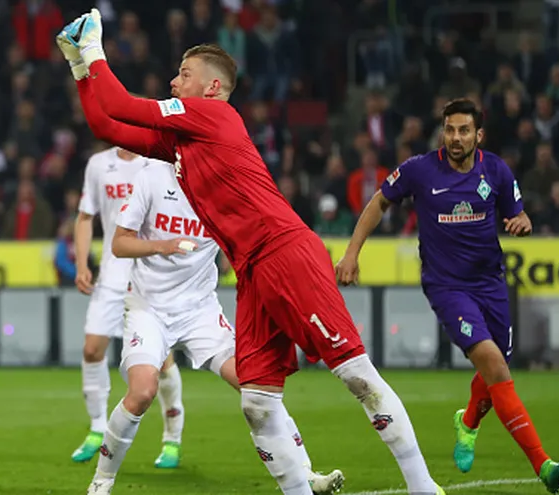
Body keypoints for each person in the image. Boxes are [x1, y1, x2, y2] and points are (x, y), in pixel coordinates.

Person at [57, 10, 443, 495]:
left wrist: (94, 47)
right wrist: (78, 66)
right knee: (257, 401)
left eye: (185, 74)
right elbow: (105, 123)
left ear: (213, 88)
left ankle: (422, 487)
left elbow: (119, 100)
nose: (175, 81)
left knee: (355, 374)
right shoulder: (181, 141)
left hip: (285, 250)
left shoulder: (213, 115)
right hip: (252, 270)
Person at [336, 98, 559, 494]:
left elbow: (518, 212)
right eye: (450, 129)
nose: (455, 137)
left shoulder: (495, 169)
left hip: (491, 282)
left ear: (479, 134)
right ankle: (543, 466)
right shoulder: (420, 170)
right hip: (447, 287)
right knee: (495, 364)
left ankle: (469, 422)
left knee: (497, 368)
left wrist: (522, 220)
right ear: (442, 131)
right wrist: (353, 252)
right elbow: (379, 202)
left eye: (463, 130)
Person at [87, 159, 345, 495]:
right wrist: (161, 245)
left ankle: (305, 473)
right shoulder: (152, 175)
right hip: (149, 308)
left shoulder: (222, 184)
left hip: (200, 311)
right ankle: (101, 482)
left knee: (256, 386)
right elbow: (120, 243)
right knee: (142, 392)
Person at [71, 144, 187, 469]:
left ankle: (172, 438)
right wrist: (83, 263)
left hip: (148, 274)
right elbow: (84, 217)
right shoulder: (98, 164)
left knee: (160, 362)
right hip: (111, 273)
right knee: (92, 349)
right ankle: (97, 428)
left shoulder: (159, 162)